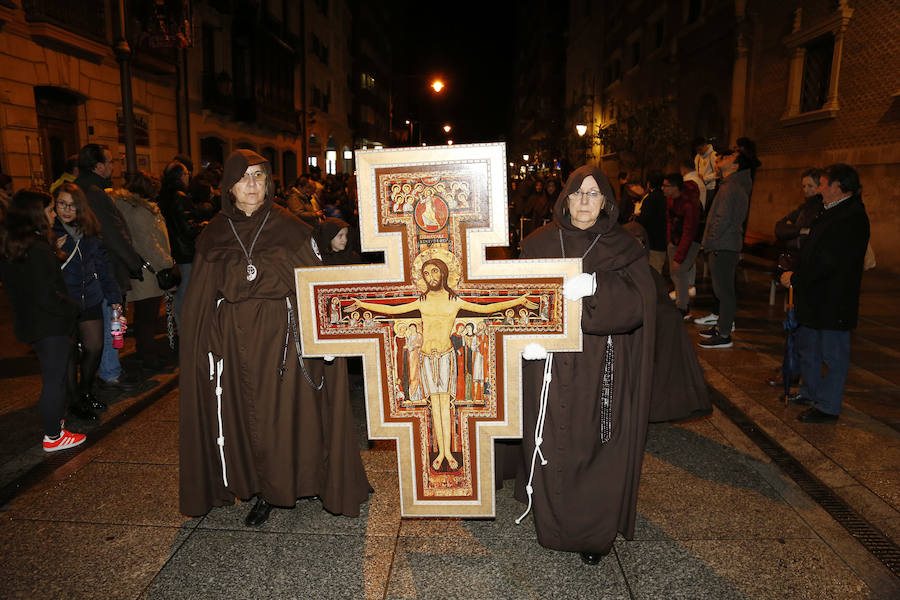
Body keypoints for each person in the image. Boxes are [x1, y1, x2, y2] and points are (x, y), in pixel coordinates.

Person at [179, 149, 371, 527]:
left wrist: (327, 337)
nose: (252, 184)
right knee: (248, 417)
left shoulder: (291, 227)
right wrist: (201, 343)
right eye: (244, 177)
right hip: (234, 343)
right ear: (229, 186)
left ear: (268, 184)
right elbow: (199, 299)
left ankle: (303, 480)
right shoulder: (214, 233)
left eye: (259, 177)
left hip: (284, 340)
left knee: (285, 416)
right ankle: (263, 488)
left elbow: (315, 287)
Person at [514, 165, 656, 566]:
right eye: (578, 193)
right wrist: (523, 342)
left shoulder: (623, 246)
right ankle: (550, 523)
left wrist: (599, 287)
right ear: (565, 198)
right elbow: (515, 300)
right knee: (549, 442)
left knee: (592, 446)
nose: (584, 202)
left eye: (593, 194)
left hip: (599, 365)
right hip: (548, 366)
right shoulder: (539, 243)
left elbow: (641, 302)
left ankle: (591, 533)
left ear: (607, 202)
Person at [345, 256, 535, 472]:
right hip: (426, 358)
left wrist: (518, 302)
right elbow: (390, 310)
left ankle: (447, 452)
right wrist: (362, 304)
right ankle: (442, 452)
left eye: (435, 271)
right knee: (434, 407)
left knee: (445, 407)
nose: (430, 277)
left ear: (444, 273)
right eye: (426, 273)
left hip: (445, 357)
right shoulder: (422, 301)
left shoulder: (454, 301)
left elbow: (487, 308)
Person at [780, 164, 869, 423]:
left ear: (838, 188)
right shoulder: (830, 211)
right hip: (814, 296)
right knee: (810, 348)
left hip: (833, 301)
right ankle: (810, 392)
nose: (818, 189)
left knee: (833, 354)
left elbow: (829, 262)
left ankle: (828, 406)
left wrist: (796, 278)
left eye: (823, 184)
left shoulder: (851, 217)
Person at [0, 189, 85, 451]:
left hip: (33, 322)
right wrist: (74, 308)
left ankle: (55, 427)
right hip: (49, 324)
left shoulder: (15, 245)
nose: (53, 215)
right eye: (49, 210)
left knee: (53, 377)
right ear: (37, 213)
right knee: (54, 379)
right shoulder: (36, 250)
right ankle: (53, 436)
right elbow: (47, 295)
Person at [75, 144, 143, 392]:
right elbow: (112, 233)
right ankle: (110, 372)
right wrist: (133, 262)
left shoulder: (78, 188)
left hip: (84, 271)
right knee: (109, 322)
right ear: (98, 166)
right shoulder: (94, 193)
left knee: (96, 326)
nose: (114, 166)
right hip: (104, 270)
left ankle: (100, 373)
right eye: (110, 161)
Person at [53, 183, 123, 418]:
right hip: (64, 301)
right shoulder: (49, 232)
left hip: (90, 298)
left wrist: (114, 298)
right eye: (62, 204)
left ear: (80, 208)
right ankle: (74, 402)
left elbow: (104, 267)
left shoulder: (90, 231)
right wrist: (52, 249)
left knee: (94, 347)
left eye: (72, 205)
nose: (66, 210)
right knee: (70, 353)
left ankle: (85, 392)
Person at [111, 171, 176, 371]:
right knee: (147, 317)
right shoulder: (141, 212)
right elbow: (149, 244)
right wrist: (167, 262)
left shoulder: (128, 208)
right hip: (149, 272)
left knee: (142, 317)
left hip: (140, 269)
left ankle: (145, 352)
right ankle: (149, 356)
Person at [769, 168, 823, 390]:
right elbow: (780, 228)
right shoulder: (804, 207)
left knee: (800, 325)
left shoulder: (821, 208)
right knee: (792, 323)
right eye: (804, 186)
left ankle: (794, 371)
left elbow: (812, 235)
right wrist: (799, 231)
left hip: (806, 271)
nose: (806, 190)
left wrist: (797, 231)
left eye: (811, 185)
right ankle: (790, 368)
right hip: (794, 269)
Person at [696, 149, 752, 348]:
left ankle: (724, 334)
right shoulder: (730, 184)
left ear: (735, 166)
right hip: (723, 243)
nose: (722, 159)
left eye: (729, 158)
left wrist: (710, 241)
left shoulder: (732, 187)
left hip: (723, 245)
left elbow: (723, 219)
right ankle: (721, 325)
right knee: (721, 291)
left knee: (725, 292)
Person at [159, 160, 203, 327]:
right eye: (186, 174)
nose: (188, 177)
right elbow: (186, 227)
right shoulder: (179, 196)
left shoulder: (164, 194)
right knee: (185, 290)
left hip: (173, 249)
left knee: (180, 290)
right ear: (180, 176)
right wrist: (202, 226)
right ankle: (185, 325)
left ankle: (182, 323)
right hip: (184, 251)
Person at [662, 173, 702, 320]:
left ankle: (683, 307)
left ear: (675, 187)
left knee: (679, 270)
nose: (663, 188)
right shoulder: (671, 199)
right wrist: (669, 241)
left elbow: (689, 231)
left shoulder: (689, 203)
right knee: (675, 272)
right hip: (675, 239)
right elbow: (669, 220)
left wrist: (679, 256)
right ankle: (681, 304)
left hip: (690, 241)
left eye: (666, 185)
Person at [635, 172, 667, 273]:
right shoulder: (665, 197)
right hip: (663, 238)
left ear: (649, 184)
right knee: (658, 267)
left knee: (653, 270)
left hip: (652, 239)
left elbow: (644, 220)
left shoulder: (649, 199)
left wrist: (637, 217)